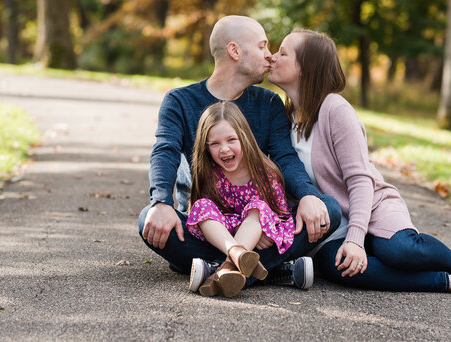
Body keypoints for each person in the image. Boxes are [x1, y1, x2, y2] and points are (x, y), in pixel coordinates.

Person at [268, 29, 451, 297]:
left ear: (306, 68)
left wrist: (356, 239)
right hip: (334, 227)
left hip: (372, 208)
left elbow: (361, 181)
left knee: (401, 251)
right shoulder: (285, 116)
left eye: (283, 53)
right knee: (338, 268)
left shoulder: (335, 110)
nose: (272, 57)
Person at [138, 15, 341, 290]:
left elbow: (285, 157)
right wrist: (161, 201)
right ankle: (271, 269)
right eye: (262, 47)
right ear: (235, 51)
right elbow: (165, 152)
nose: (270, 56)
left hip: (259, 221)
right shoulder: (180, 101)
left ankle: (218, 271)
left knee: (327, 209)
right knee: (147, 220)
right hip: (207, 227)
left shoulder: (268, 103)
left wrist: (308, 194)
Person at [186, 101, 294, 297]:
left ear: (244, 137)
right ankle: (237, 254)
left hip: (256, 234)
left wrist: (267, 231)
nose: (224, 149)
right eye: (215, 144)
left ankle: (224, 269)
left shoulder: (266, 174)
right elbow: (203, 214)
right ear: (206, 147)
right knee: (202, 206)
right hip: (222, 237)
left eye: (231, 140)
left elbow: (282, 215)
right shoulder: (210, 174)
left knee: (258, 207)